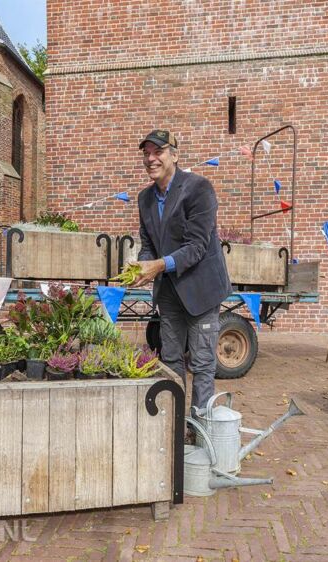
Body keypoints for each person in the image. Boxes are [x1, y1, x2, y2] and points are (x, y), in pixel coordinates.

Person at [132, 129, 232, 410]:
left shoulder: (199, 189)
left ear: (174, 155)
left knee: (202, 364)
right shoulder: (145, 199)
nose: (151, 159)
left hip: (202, 291)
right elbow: (149, 243)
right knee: (171, 359)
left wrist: (158, 266)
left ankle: (199, 427)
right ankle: (175, 428)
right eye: (146, 153)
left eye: (158, 152)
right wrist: (142, 265)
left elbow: (197, 246)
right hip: (169, 292)